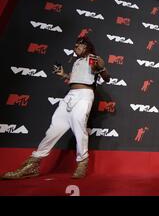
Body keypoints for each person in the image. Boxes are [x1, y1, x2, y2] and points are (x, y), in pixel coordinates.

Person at [1, 35, 110, 179]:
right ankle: (32, 165)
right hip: (70, 95)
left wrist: (102, 68)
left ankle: (82, 162)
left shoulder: (92, 58)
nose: (76, 46)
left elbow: (106, 78)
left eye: (80, 44)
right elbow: (75, 78)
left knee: (78, 125)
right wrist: (63, 74)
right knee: (54, 128)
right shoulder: (77, 62)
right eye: (75, 44)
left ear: (87, 47)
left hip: (84, 94)